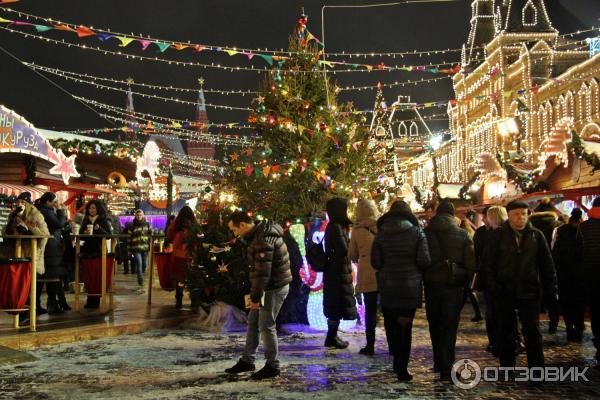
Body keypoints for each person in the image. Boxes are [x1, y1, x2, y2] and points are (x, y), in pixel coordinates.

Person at [482, 200, 557, 373]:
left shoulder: (536, 235)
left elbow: (547, 265)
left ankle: (537, 371)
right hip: (504, 291)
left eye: (524, 213)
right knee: (506, 331)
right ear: (508, 215)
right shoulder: (498, 236)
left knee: (532, 332)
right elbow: (488, 265)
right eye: (516, 214)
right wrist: (494, 287)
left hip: (529, 291)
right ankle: (507, 367)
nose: (521, 217)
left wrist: (551, 291)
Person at [225, 211, 292, 380]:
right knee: (253, 322)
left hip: (273, 288)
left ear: (242, 225)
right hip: (267, 287)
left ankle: (272, 365)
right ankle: (248, 360)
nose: (235, 233)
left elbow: (263, 273)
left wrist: (255, 297)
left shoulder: (262, 240)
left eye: (234, 229)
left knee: (266, 325)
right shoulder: (257, 236)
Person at [371, 200, 430, 381]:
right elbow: (425, 261)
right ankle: (402, 367)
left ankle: (396, 359)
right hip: (409, 287)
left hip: (388, 287)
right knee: (405, 327)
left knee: (390, 324)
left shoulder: (380, 235)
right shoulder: (417, 232)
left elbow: (376, 262)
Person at [424, 199, 475, 381]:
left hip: (432, 286)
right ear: (452, 215)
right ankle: (448, 367)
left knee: (435, 324)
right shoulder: (462, 234)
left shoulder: (427, 233)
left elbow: (422, 260)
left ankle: (439, 361)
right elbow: (471, 263)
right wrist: (465, 283)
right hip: (454, 286)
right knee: (449, 326)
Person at [2, 192, 49, 322]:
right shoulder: (14, 214)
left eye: (22, 202)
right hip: (16, 253)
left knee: (27, 286)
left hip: (31, 254)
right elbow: (5, 232)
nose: (20, 204)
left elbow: (45, 235)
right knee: (17, 285)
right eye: (18, 202)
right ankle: (20, 313)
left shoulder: (36, 215)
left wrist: (29, 230)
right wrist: (12, 220)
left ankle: (27, 315)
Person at [322, 197, 358, 349]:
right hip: (336, 272)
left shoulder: (337, 226)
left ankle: (332, 336)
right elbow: (343, 250)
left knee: (336, 304)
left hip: (338, 270)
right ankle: (331, 337)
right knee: (336, 304)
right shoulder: (336, 227)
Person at [348, 199, 380, 356]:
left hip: (367, 273)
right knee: (387, 310)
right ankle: (393, 345)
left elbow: (352, 254)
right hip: (383, 273)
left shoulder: (357, 231)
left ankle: (370, 345)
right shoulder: (381, 227)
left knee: (370, 312)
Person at [530, 197, 563, 334]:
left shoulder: (530, 226)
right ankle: (553, 323)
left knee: (533, 295)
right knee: (552, 295)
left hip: (533, 264)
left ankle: (533, 324)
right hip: (552, 264)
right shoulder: (558, 225)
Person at [553, 208, 585, 342]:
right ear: (580, 218)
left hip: (564, 273)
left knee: (566, 302)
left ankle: (569, 328)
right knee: (579, 303)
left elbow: (555, 253)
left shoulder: (561, 230)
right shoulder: (583, 231)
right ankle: (578, 329)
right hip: (580, 273)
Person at [36, 192, 70, 314]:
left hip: (49, 247)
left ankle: (43, 304)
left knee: (45, 276)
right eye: (54, 201)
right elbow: (59, 224)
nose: (56, 204)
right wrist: (60, 211)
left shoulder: (43, 210)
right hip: (50, 247)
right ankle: (50, 304)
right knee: (50, 275)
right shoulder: (46, 211)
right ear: (48, 202)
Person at [578, 196, 600, 363]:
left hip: (590, 276)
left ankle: (599, 345)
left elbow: (577, 254)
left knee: (596, 311)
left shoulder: (583, 227)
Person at [79, 199, 112, 309]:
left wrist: (99, 229)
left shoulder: (103, 220)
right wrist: (84, 233)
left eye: (93, 208)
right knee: (88, 276)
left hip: (99, 251)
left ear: (98, 209)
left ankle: (96, 299)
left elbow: (108, 236)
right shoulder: (85, 219)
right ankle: (90, 299)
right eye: (90, 208)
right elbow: (80, 235)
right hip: (87, 251)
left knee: (97, 276)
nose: (91, 210)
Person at [166, 206, 196, 308]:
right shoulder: (194, 224)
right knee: (192, 278)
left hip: (178, 255)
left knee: (180, 279)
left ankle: (179, 299)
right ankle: (193, 301)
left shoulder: (175, 224)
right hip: (191, 255)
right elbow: (199, 237)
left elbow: (169, 237)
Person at [459, 216, 482, 322]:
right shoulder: (472, 233)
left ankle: (477, 313)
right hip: (474, 267)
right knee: (468, 290)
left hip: (468, 267)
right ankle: (477, 313)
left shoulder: (463, 235)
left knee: (468, 290)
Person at [125, 210, 151, 286]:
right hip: (136, 247)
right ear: (135, 216)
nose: (139, 216)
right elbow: (129, 238)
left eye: (140, 215)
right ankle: (140, 278)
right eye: (137, 215)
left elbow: (150, 235)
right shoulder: (132, 225)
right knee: (139, 263)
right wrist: (129, 249)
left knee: (144, 264)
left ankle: (141, 273)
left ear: (143, 215)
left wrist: (150, 244)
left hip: (145, 247)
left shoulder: (147, 224)